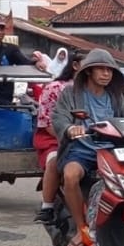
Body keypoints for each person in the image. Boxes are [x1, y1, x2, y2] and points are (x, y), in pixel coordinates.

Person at [51, 49, 124, 246]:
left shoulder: (115, 97)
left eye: (109, 70)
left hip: (111, 151)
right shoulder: (70, 93)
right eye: (100, 69)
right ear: (88, 71)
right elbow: (59, 118)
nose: (106, 73)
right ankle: (82, 229)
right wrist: (69, 129)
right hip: (81, 150)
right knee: (71, 175)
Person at [33, 52, 84, 224]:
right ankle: (47, 206)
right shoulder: (54, 88)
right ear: (76, 66)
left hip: (90, 139)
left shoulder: (96, 90)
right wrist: (69, 134)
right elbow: (48, 122)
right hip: (54, 138)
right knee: (55, 161)